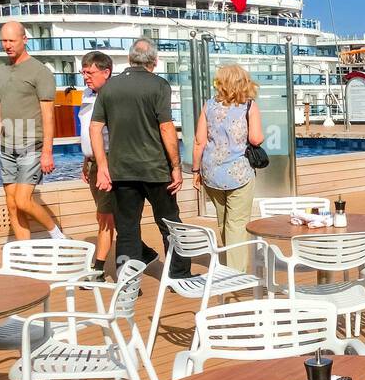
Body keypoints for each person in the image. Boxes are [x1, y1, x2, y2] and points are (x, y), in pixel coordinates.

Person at [89, 39, 190, 277]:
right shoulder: (159, 86)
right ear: (154, 62)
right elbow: (166, 128)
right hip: (155, 169)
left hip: (121, 171)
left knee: (127, 229)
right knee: (169, 224)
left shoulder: (110, 87)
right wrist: (176, 166)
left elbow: (95, 128)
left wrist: (103, 166)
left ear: (130, 59)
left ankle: (127, 280)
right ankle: (178, 274)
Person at [0, 20, 66, 240]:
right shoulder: (1, 71)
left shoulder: (40, 71)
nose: (7, 45)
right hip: (7, 146)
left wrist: (48, 151)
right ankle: (25, 254)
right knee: (12, 205)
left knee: (23, 200)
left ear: (24, 40)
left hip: (32, 144)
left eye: (12, 40)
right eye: (4, 40)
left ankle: (58, 236)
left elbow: (49, 115)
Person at [192, 64, 264, 271]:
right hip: (239, 173)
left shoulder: (209, 106)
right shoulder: (249, 106)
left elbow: (199, 142)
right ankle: (236, 274)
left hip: (212, 172)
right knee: (237, 223)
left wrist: (196, 171)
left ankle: (228, 264)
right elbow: (256, 138)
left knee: (223, 221)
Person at [78, 51, 115, 275]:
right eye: (83, 72)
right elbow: (87, 131)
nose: (85, 77)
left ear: (106, 72)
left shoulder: (112, 97)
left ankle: (98, 269)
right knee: (104, 215)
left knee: (106, 216)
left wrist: (103, 166)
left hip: (107, 163)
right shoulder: (87, 94)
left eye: (90, 72)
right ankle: (143, 251)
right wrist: (86, 159)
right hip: (92, 162)